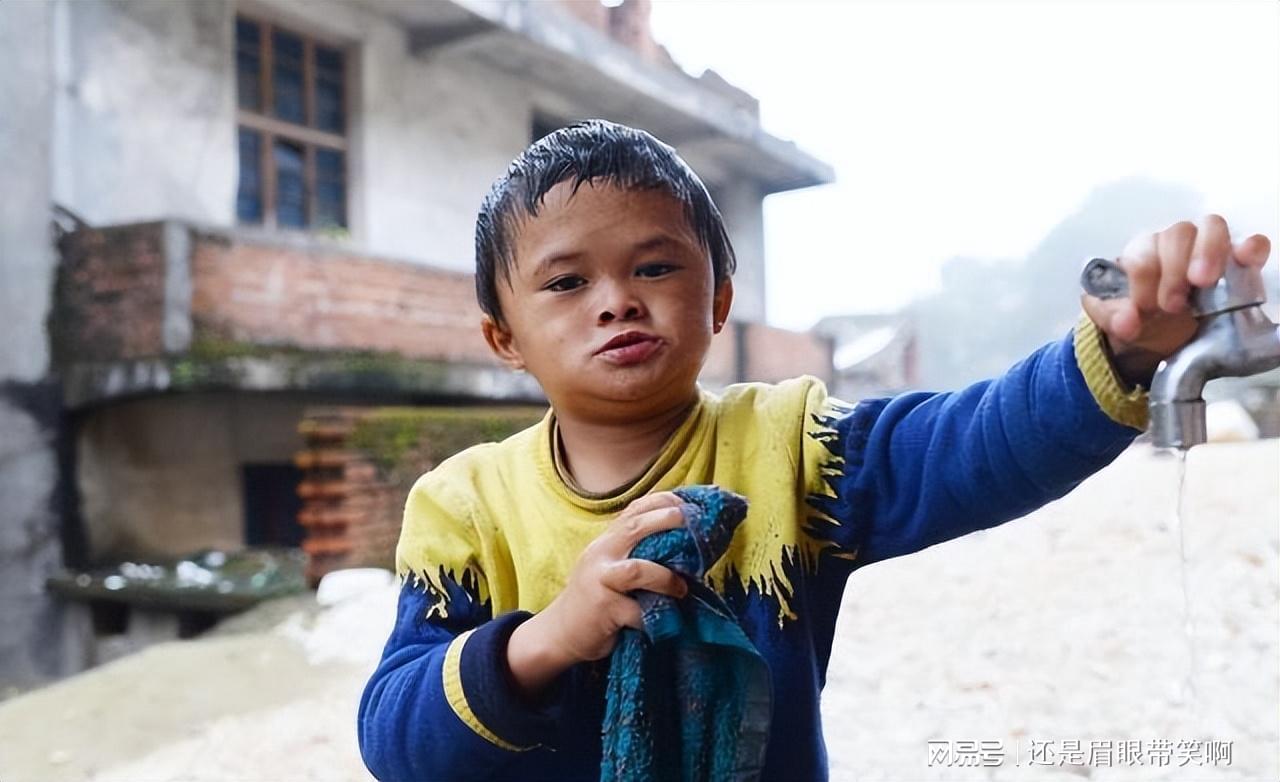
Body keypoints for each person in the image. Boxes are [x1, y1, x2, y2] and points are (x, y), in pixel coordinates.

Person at [356, 120, 1272, 781]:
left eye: (656, 266)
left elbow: (975, 444)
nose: (617, 300)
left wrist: (1119, 349)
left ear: (719, 299)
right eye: (566, 281)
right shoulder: (465, 507)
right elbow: (395, 740)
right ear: (504, 337)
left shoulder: (790, 447)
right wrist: (550, 637)